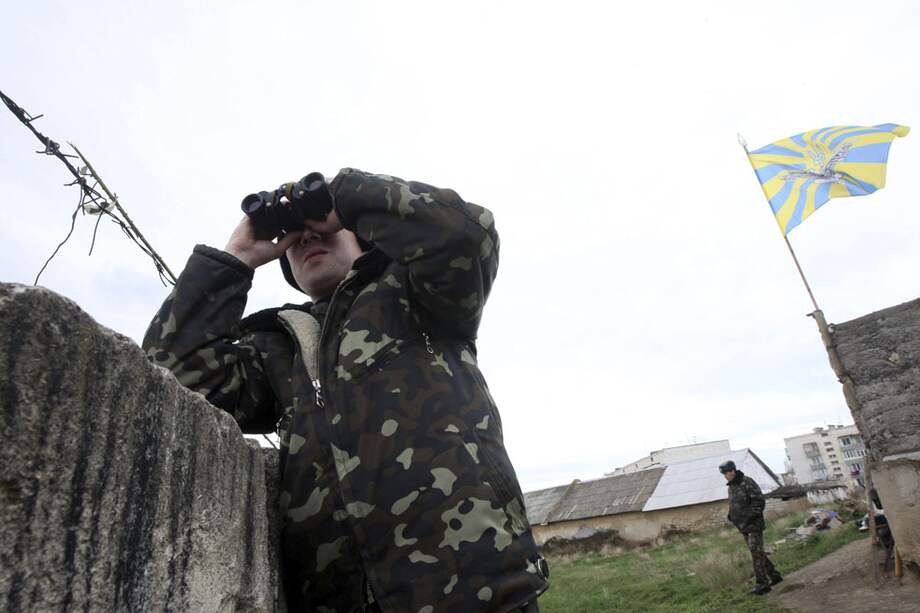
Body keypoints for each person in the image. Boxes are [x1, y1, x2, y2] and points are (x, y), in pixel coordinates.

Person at [142, 168, 548, 612]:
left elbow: (467, 235)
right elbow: (174, 372)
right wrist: (236, 256)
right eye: (293, 239)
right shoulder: (279, 348)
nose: (305, 240)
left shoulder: (418, 293)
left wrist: (343, 198)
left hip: (476, 593)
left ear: (359, 238)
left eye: (321, 231)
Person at [720, 460, 782, 595]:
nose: (725, 475)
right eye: (723, 474)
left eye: (726, 473)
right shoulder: (731, 487)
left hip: (754, 524)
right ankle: (775, 575)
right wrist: (731, 515)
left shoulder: (747, 482)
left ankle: (762, 584)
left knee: (755, 552)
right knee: (757, 552)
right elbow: (734, 503)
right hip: (743, 526)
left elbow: (759, 501)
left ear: (732, 471)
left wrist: (749, 517)